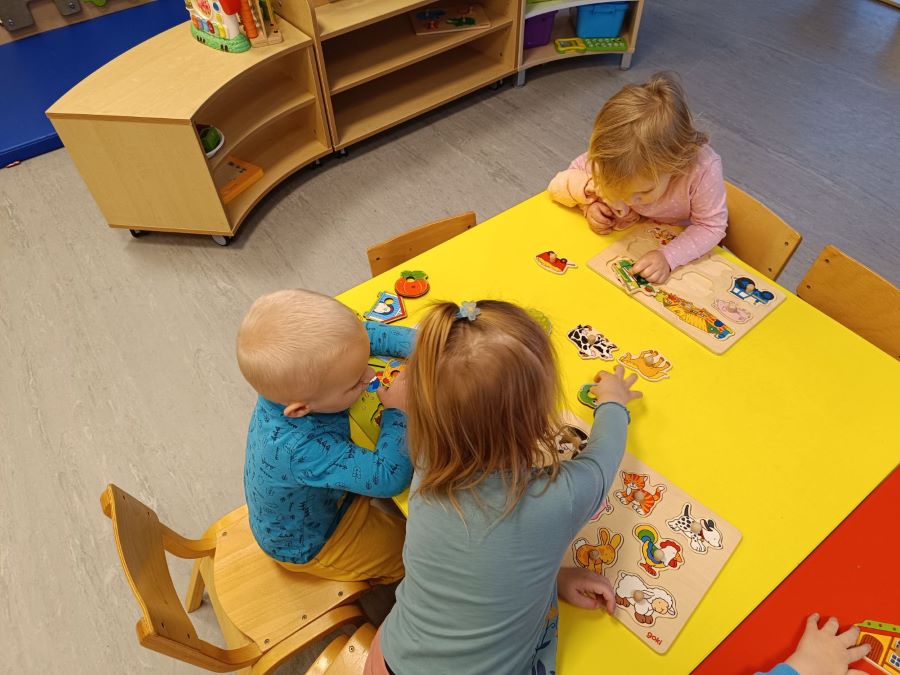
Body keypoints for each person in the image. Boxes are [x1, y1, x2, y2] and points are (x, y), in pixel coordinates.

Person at [367, 300, 642, 674]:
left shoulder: (428, 455)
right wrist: (613, 399)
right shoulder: (559, 497)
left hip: (389, 659)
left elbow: (476, 566)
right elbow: (604, 453)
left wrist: (549, 579)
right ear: (535, 418)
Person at [237, 289, 413, 584]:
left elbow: (358, 338)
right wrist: (398, 411)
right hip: (314, 542)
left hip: (321, 499)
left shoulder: (292, 385)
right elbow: (388, 478)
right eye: (354, 383)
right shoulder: (302, 449)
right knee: (412, 554)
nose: (370, 376)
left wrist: (421, 343)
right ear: (301, 409)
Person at [548, 72, 728, 284]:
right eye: (619, 190)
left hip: (680, 243)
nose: (629, 201)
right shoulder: (613, 156)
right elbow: (567, 178)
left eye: (643, 192)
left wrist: (668, 257)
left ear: (676, 165)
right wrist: (590, 205)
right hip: (632, 238)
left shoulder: (701, 169)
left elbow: (711, 227)